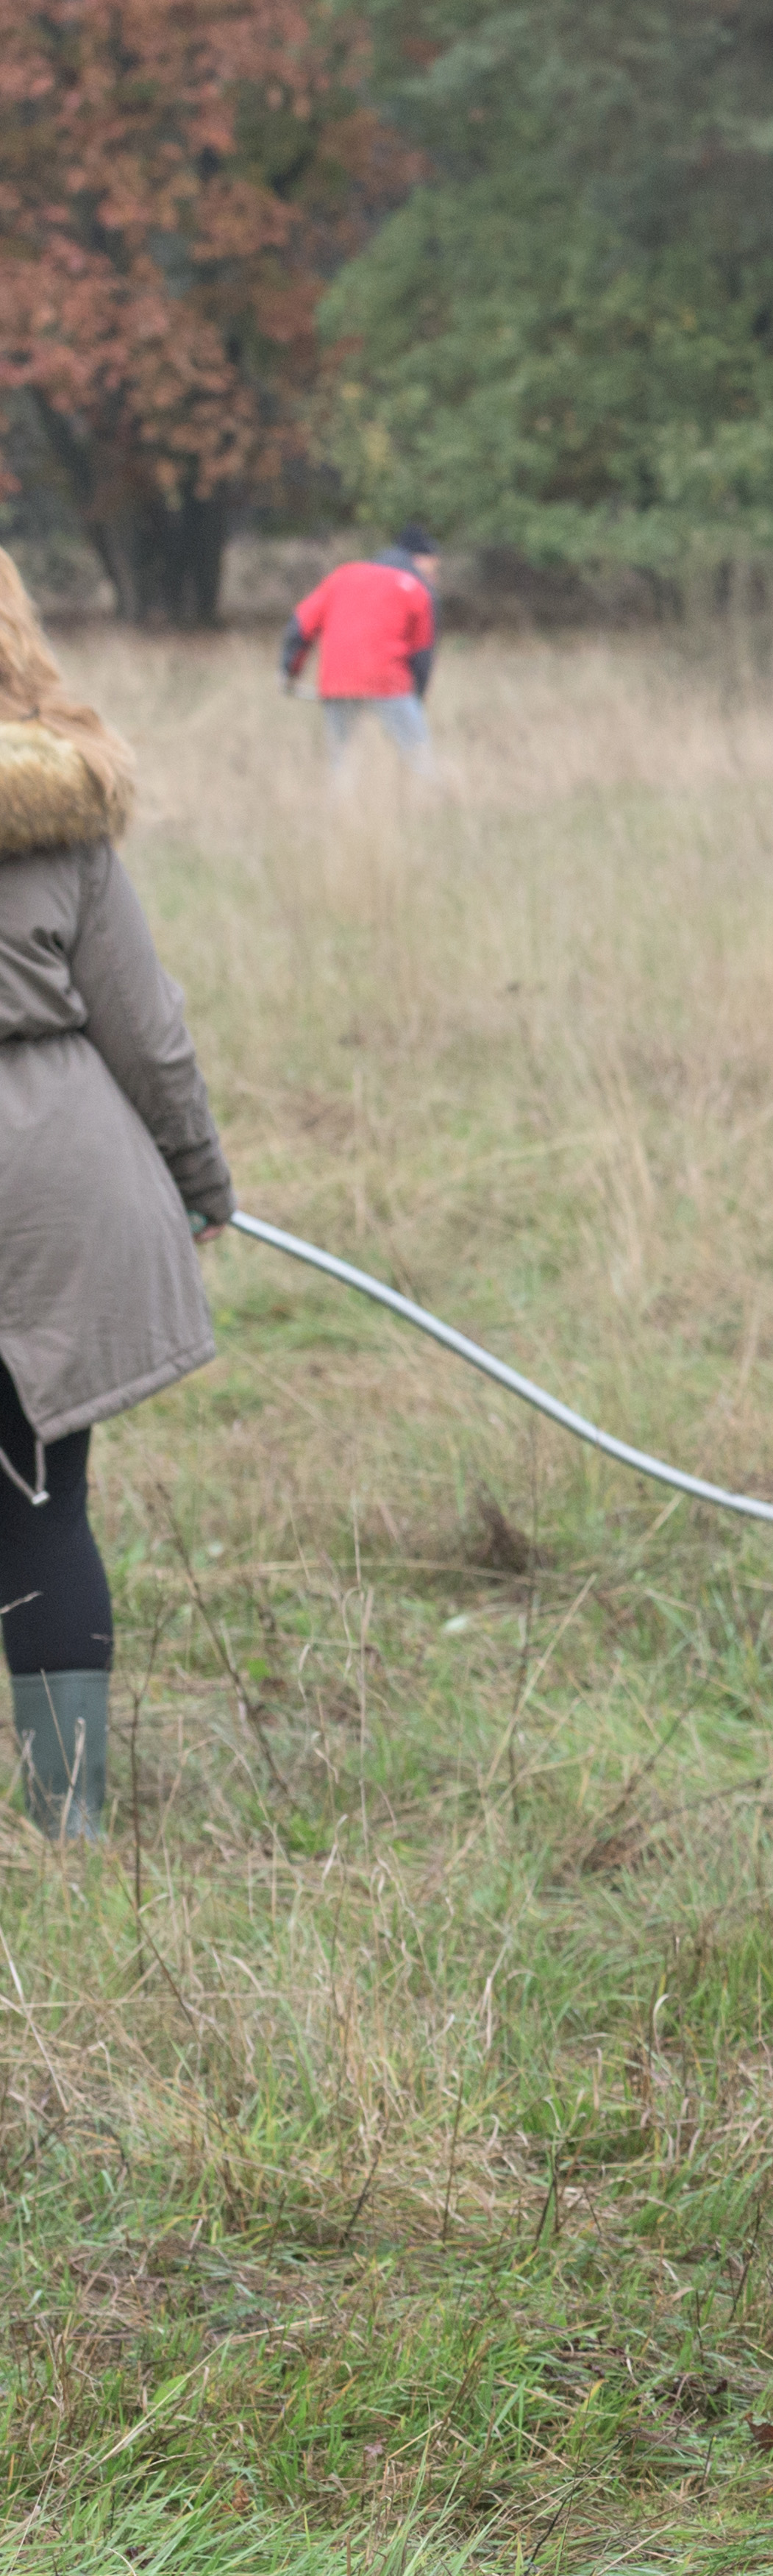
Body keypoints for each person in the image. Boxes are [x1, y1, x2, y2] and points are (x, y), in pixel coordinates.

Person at [0, 550, 232, 1838]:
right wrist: (203, 1179)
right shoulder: (58, 812)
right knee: (38, 1497)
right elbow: (148, 1028)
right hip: (52, 1188)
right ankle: (66, 1825)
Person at [281, 530, 439, 778]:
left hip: (337, 681)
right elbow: (422, 654)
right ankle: (431, 807)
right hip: (389, 682)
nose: (434, 577)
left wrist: (289, 672)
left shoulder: (342, 576)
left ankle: (340, 813)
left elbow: (300, 627)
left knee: (342, 765)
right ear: (418, 560)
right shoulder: (416, 589)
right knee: (419, 758)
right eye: (433, 569)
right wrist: (416, 697)